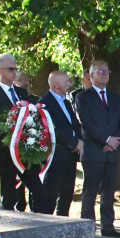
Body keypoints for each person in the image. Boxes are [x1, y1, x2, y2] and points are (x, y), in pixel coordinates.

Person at [75, 59, 120, 237]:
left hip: (112, 152)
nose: (105, 74)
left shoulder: (114, 97)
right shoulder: (83, 97)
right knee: (90, 191)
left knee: (109, 191)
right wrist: (106, 139)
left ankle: (108, 227)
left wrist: (115, 141)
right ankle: (87, 229)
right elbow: (87, 123)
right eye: (100, 71)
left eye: (107, 71)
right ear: (91, 76)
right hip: (93, 152)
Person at [0, 53, 36, 211]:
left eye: (16, 68)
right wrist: (13, 129)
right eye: (10, 69)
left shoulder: (22, 93)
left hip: (26, 151)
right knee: (9, 196)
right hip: (6, 152)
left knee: (39, 191)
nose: (14, 72)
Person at [38, 70, 83, 216]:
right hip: (56, 155)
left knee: (67, 192)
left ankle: (63, 221)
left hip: (70, 155)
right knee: (51, 192)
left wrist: (80, 140)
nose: (69, 84)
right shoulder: (45, 103)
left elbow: (74, 123)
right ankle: (47, 224)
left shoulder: (66, 102)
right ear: (56, 84)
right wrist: (74, 143)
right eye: (66, 81)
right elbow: (53, 129)